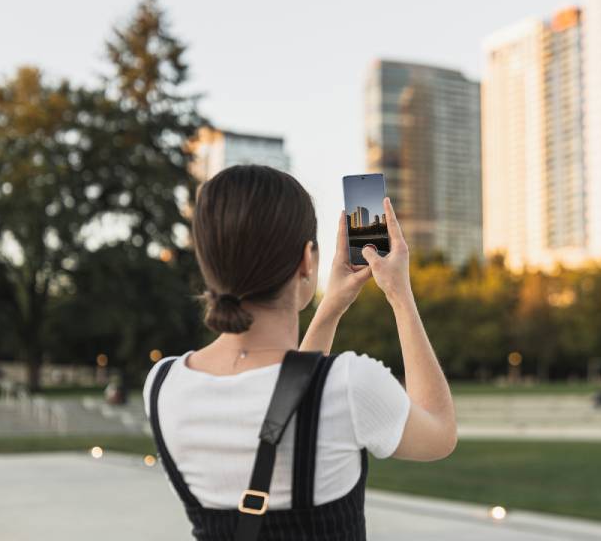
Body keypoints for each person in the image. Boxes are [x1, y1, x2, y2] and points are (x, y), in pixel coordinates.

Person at [143, 164, 456, 541]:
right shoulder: (350, 385)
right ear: (307, 260)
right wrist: (400, 295)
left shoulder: (163, 385)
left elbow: (293, 393)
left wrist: (333, 305)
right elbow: (439, 432)